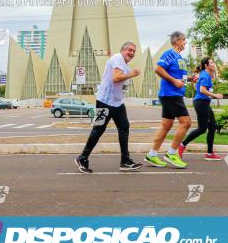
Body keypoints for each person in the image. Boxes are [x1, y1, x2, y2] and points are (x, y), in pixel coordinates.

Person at [75, 41, 143, 173]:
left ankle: (125, 161)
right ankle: (82, 158)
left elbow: (121, 84)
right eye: (129, 50)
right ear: (123, 50)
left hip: (117, 103)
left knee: (124, 127)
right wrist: (132, 74)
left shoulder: (125, 65)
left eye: (134, 51)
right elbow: (116, 78)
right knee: (98, 130)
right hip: (104, 101)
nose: (132, 53)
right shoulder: (117, 58)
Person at [145, 31, 195, 169]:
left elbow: (180, 78)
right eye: (184, 40)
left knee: (166, 125)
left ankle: (152, 155)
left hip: (172, 94)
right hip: (171, 94)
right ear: (177, 41)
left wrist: (190, 79)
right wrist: (173, 81)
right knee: (186, 122)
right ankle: (172, 153)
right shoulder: (169, 54)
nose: (185, 42)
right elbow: (158, 68)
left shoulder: (180, 57)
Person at [179, 57, 223, 160]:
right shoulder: (204, 75)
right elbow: (202, 90)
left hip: (204, 102)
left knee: (212, 127)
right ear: (206, 65)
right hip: (201, 103)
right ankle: (182, 145)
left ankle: (210, 153)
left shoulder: (205, 74)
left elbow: (198, 87)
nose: (214, 64)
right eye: (211, 62)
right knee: (202, 129)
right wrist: (215, 95)